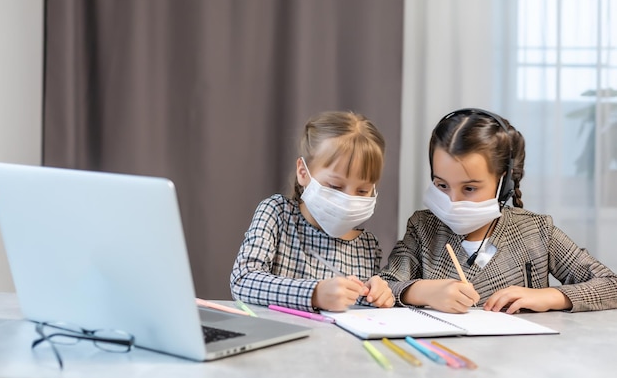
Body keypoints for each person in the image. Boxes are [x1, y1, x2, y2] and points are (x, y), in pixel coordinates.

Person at [379, 108, 617, 314]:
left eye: (470, 188)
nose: (453, 200)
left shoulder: (536, 231)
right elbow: (384, 285)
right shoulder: (423, 227)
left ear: (505, 184)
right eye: (442, 185)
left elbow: (611, 285)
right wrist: (422, 292)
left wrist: (550, 296)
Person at [230, 111, 394, 312]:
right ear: (303, 172)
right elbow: (242, 280)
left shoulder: (368, 246)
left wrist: (378, 296)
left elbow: (356, 313)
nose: (349, 200)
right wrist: (315, 293)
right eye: (335, 186)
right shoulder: (277, 214)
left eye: (362, 190)